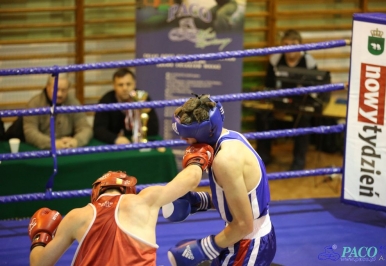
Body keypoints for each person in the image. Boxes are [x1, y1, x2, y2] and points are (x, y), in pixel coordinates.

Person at [28, 144, 214, 266]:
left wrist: (40, 236)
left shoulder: (76, 216)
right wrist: (198, 156)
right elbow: (192, 179)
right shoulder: (143, 200)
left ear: (96, 192)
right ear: (128, 190)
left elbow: (39, 264)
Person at [164, 94, 276, 265]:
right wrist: (201, 201)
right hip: (246, 236)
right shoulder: (230, 137)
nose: (183, 140)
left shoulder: (225, 160)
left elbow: (244, 224)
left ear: (204, 132)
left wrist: (201, 249)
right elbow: (239, 200)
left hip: (248, 243)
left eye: (187, 136)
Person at [255, 29, 317, 171]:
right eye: (286, 44)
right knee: (262, 115)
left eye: (293, 44)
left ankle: (298, 162)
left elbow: (314, 87)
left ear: (300, 45)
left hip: (300, 104)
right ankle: (264, 157)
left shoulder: (309, 61)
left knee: (304, 120)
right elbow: (268, 84)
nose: (289, 48)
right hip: (277, 102)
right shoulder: (275, 59)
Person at [23, 74, 92, 150]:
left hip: (68, 148)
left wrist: (76, 141)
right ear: (48, 87)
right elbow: (29, 132)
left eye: (64, 90)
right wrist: (53, 143)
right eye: (56, 89)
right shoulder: (35, 103)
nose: (59, 94)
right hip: (44, 151)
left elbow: (85, 128)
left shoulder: (73, 103)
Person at [93, 68, 159, 145]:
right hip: (114, 146)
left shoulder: (142, 98)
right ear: (114, 86)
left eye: (128, 84)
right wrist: (115, 139)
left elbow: (154, 129)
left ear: (134, 84)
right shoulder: (106, 101)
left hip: (138, 143)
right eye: (120, 85)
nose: (125, 88)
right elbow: (98, 129)